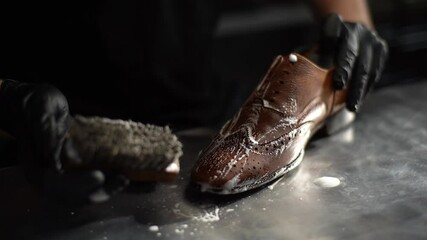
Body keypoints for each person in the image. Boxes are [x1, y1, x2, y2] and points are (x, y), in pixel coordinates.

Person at [0, 0, 387, 204]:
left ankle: (320, 93)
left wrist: (354, 34)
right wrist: (7, 100)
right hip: (41, 126)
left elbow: (346, 17)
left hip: (198, 114)